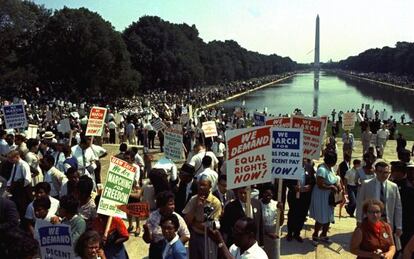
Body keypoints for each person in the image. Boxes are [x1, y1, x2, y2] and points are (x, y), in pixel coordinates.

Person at [356, 161, 402, 238]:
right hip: (370, 220)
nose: (383, 175)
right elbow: (360, 203)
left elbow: (398, 207)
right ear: (375, 172)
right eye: (380, 172)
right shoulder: (366, 184)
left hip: (387, 222)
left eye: (386, 172)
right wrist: (359, 220)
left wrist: (399, 226)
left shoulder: (393, 187)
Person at [183, 175, 222, 259]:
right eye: (199, 185)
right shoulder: (193, 199)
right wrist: (196, 206)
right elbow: (185, 221)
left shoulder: (215, 203)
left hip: (208, 238)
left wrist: (194, 223)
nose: (201, 187)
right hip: (194, 236)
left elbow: (211, 227)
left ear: (210, 187)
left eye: (204, 185)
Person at [143, 191, 190, 259]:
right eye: (170, 204)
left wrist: (174, 246)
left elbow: (186, 235)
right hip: (156, 251)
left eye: (173, 204)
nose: (173, 207)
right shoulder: (152, 217)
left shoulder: (177, 218)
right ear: (162, 205)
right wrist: (146, 229)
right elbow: (147, 240)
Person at [309, 150, 341, 244]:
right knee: (321, 217)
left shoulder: (330, 168)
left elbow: (333, 178)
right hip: (321, 196)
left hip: (329, 197)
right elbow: (320, 184)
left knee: (328, 216)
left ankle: (324, 234)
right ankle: (315, 235)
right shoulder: (322, 169)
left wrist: (337, 184)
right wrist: (330, 186)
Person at [285, 159, 316, 241]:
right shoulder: (291, 166)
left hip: (305, 196)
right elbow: (286, 180)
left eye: (304, 158)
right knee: (292, 214)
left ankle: (297, 233)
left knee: (302, 214)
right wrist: (293, 187)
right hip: (293, 195)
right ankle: (290, 233)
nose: (303, 159)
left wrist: (309, 186)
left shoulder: (309, 167)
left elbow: (313, 180)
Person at [6, 150, 34, 219]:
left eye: (11, 158)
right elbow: (12, 176)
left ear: (17, 157)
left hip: (22, 191)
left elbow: (27, 180)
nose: (10, 160)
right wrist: (9, 185)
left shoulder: (24, 165)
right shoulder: (15, 164)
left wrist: (18, 186)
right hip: (15, 189)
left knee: (22, 208)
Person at [260, 185, 279, 258]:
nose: (268, 196)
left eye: (270, 194)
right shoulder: (258, 204)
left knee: (274, 253)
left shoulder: (276, 204)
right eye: (266, 194)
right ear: (263, 193)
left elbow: (280, 222)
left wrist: (281, 210)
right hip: (262, 233)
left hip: (274, 233)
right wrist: (268, 234)